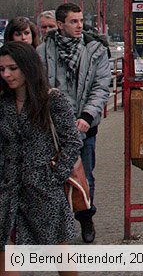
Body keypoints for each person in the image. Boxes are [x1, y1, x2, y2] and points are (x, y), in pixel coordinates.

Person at [1, 42, 82, 276]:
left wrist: (54, 176)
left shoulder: (52, 99)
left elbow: (72, 141)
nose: (6, 74)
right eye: (2, 69)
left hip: (43, 190)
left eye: (13, 68)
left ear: (27, 68)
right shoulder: (3, 102)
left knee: (62, 257)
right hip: (8, 191)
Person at [36, 3, 110, 244]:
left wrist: (87, 117)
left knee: (84, 175)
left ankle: (86, 217)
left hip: (84, 127)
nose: (79, 25)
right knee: (52, 175)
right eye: (73, 21)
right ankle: (57, 225)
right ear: (60, 25)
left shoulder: (95, 50)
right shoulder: (43, 52)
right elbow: (39, 87)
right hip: (53, 128)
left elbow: (101, 86)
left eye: (80, 20)